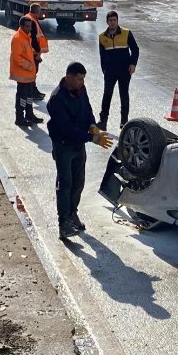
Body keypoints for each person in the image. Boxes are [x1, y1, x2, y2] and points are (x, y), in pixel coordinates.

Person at [47, 62, 113, 239]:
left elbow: (87, 109)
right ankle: (63, 224)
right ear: (68, 76)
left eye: (83, 79)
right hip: (63, 145)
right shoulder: (57, 99)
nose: (82, 82)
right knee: (65, 183)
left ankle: (72, 213)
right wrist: (92, 138)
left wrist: (92, 125)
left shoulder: (81, 90)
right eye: (79, 79)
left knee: (78, 182)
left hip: (78, 145)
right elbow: (67, 129)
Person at [98, 10, 139, 131]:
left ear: (117, 21)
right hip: (110, 71)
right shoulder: (102, 37)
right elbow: (102, 56)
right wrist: (104, 69)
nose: (112, 23)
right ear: (107, 22)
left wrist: (133, 64)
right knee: (107, 95)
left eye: (114, 20)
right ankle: (103, 121)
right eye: (110, 21)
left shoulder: (126, 33)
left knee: (124, 95)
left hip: (124, 70)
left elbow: (135, 49)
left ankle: (124, 122)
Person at [10, 16, 44, 126]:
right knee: (22, 98)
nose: (30, 29)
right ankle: (19, 118)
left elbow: (26, 52)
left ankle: (29, 115)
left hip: (28, 75)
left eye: (30, 27)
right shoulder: (18, 38)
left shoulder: (26, 37)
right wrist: (30, 66)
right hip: (22, 75)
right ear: (21, 26)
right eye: (27, 27)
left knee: (29, 97)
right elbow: (17, 57)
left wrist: (35, 55)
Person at [23, 3, 49, 98]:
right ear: (37, 12)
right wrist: (38, 53)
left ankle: (32, 90)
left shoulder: (28, 18)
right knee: (32, 72)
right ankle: (31, 92)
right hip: (32, 52)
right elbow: (33, 39)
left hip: (29, 51)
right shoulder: (32, 21)